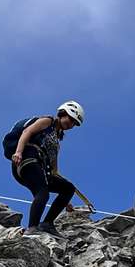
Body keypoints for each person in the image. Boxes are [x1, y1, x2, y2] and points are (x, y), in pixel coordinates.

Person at [9, 101, 85, 236]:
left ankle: (47, 224)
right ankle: (32, 228)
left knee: (68, 188)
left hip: (40, 167)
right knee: (43, 193)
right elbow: (28, 131)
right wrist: (19, 152)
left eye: (74, 123)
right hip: (27, 159)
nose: (71, 124)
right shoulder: (47, 121)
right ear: (63, 114)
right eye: (70, 119)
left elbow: (55, 171)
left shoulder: (56, 141)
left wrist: (65, 201)